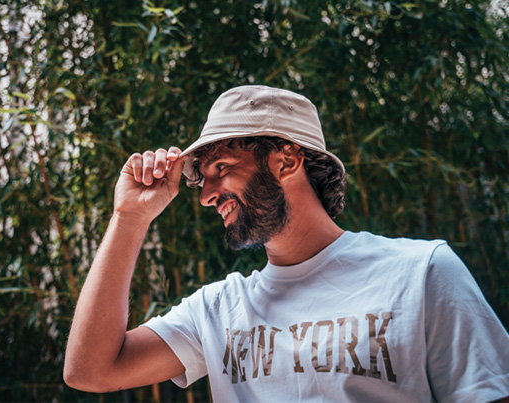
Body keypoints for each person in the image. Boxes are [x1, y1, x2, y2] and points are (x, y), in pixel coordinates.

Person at [64, 85, 509, 401]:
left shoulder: (422, 272)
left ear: (286, 159)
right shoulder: (219, 310)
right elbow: (90, 371)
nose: (204, 195)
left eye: (221, 167)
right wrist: (129, 218)